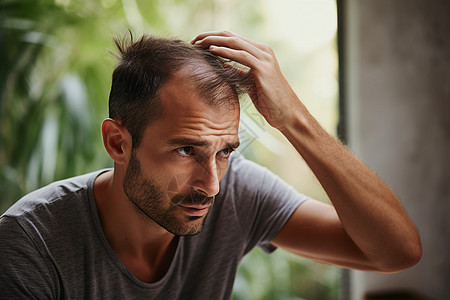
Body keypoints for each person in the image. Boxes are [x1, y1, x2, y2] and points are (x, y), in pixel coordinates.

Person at [0, 31, 421, 299]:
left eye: (225, 151)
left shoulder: (237, 191)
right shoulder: (29, 245)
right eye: (186, 150)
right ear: (118, 142)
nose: (212, 185)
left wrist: (295, 118)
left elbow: (396, 251)